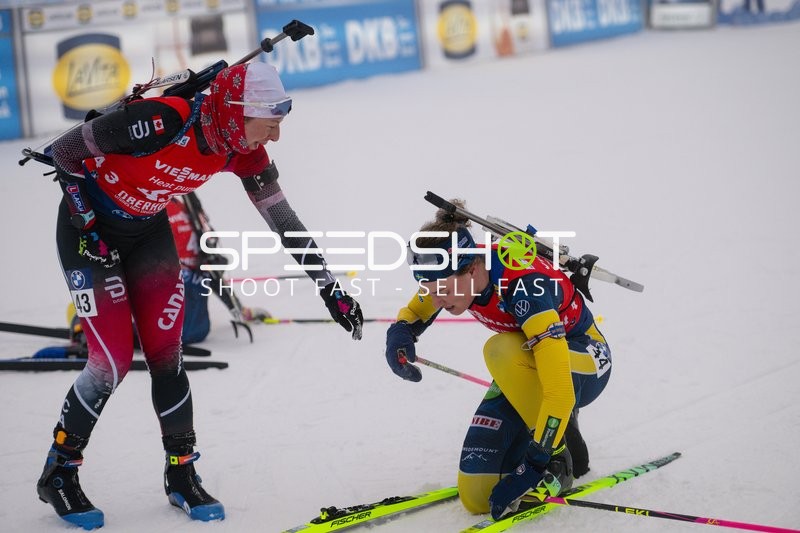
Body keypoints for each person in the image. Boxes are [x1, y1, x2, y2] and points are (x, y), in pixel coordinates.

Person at [36, 61, 363, 529]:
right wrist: (85, 220)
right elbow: (65, 150)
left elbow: (283, 220)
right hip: (89, 236)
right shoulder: (166, 119)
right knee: (111, 363)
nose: (274, 137)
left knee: (167, 356)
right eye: (268, 124)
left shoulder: (242, 150)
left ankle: (182, 474)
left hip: (148, 233)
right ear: (235, 112)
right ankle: (59, 473)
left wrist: (329, 286)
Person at [384, 201, 610, 520]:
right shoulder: (454, 273)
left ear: (473, 270)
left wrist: (536, 463)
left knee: (500, 350)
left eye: (443, 289)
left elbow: (559, 391)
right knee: (477, 494)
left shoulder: (523, 285)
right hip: (531, 361)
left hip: (585, 360)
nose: (436, 300)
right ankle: (554, 433)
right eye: (428, 289)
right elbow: (415, 311)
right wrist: (399, 334)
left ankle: (559, 460)